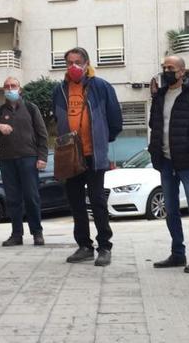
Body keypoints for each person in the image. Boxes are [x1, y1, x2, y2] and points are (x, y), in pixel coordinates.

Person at [52, 47, 122, 267]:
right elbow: (57, 118)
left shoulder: (101, 87)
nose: (73, 66)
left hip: (93, 155)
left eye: (77, 62)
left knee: (98, 200)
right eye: (69, 62)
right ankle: (83, 246)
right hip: (71, 155)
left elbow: (115, 120)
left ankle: (104, 247)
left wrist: (101, 140)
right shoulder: (60, 90)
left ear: (86, 63)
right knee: (75, 202)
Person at [148, 56, 189, 273]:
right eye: (164, 67)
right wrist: (154, 97)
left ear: (182, 71)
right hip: (165, 160)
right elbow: (154, 124)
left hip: (187, 160)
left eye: (171, 68)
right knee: (171, 209)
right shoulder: (160, 95)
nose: (167, 71)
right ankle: (178, 253)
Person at [0, 77, 50, 247]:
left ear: (20, 89)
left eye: (13, 86)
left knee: (31, 196)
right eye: (7, 86)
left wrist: (42, 157)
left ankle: (37, 233)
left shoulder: (30, 108)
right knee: (13, 199)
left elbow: (42, 134)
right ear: (3, 90)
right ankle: (16, 234)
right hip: (7, 160)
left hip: (28, 158)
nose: (10, 89)